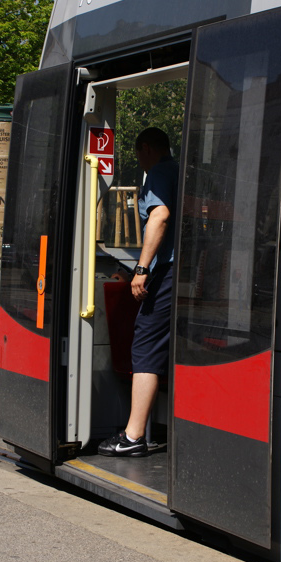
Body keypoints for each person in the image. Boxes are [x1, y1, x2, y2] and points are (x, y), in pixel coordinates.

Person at [99, 127, 179, 457]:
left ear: (146, 148)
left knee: (144, 346)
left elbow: (159, 217)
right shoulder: (180, 170)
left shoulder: (159, 172)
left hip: (165, 273)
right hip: (182, 273)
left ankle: (133, 437)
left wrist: (142, 269)